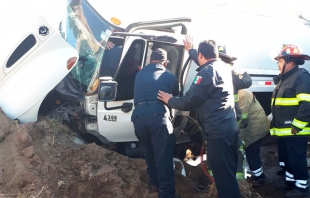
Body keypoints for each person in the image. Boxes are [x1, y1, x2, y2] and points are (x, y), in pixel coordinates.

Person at [158, 40, 241, 198]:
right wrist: (190, 51)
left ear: (202, 55)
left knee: (223, 178)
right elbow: (205, 62)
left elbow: (189, 101)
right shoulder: (222, 66)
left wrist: (169, 100)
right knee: (229, 174)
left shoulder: (206, 73)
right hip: (229, 129)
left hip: (218, 134)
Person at [184, 35, 252, 180]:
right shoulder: (221, 69)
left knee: (232, 150)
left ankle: (236, 180)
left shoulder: (225, 72)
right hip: (227, 120)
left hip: (224, 122)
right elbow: (203, 61)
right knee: (221, 151)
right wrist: (190, 50)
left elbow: (247, 80)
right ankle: (221, 179)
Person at [131, 48, 180, 198]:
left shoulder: (139, 74)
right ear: (165, 63)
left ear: (150, 61)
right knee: (163, 156)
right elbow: (176, 95)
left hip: (138, 116)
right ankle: (167, 194)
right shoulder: (169, 75)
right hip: (158, 115)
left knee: (148, 150)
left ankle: (154, 183)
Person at [270, 44, 310, 198]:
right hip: (285, 130)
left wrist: (297, 125)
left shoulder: (302, 76)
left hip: (295, 130)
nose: (278, 64)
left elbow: (307, 104)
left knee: (296, 158)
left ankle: (302, 187)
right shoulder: (284, 78)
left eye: (280, 61)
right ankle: (290, 182)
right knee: (287, 158)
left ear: (290, 61)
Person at [238, 89, 269, 187]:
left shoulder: (242, 94)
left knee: (251, 152)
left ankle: (259, 178)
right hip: (250, 127)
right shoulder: (238, 92)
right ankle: (255, 174)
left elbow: (241, 117)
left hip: (255, 128)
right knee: (249, 151)